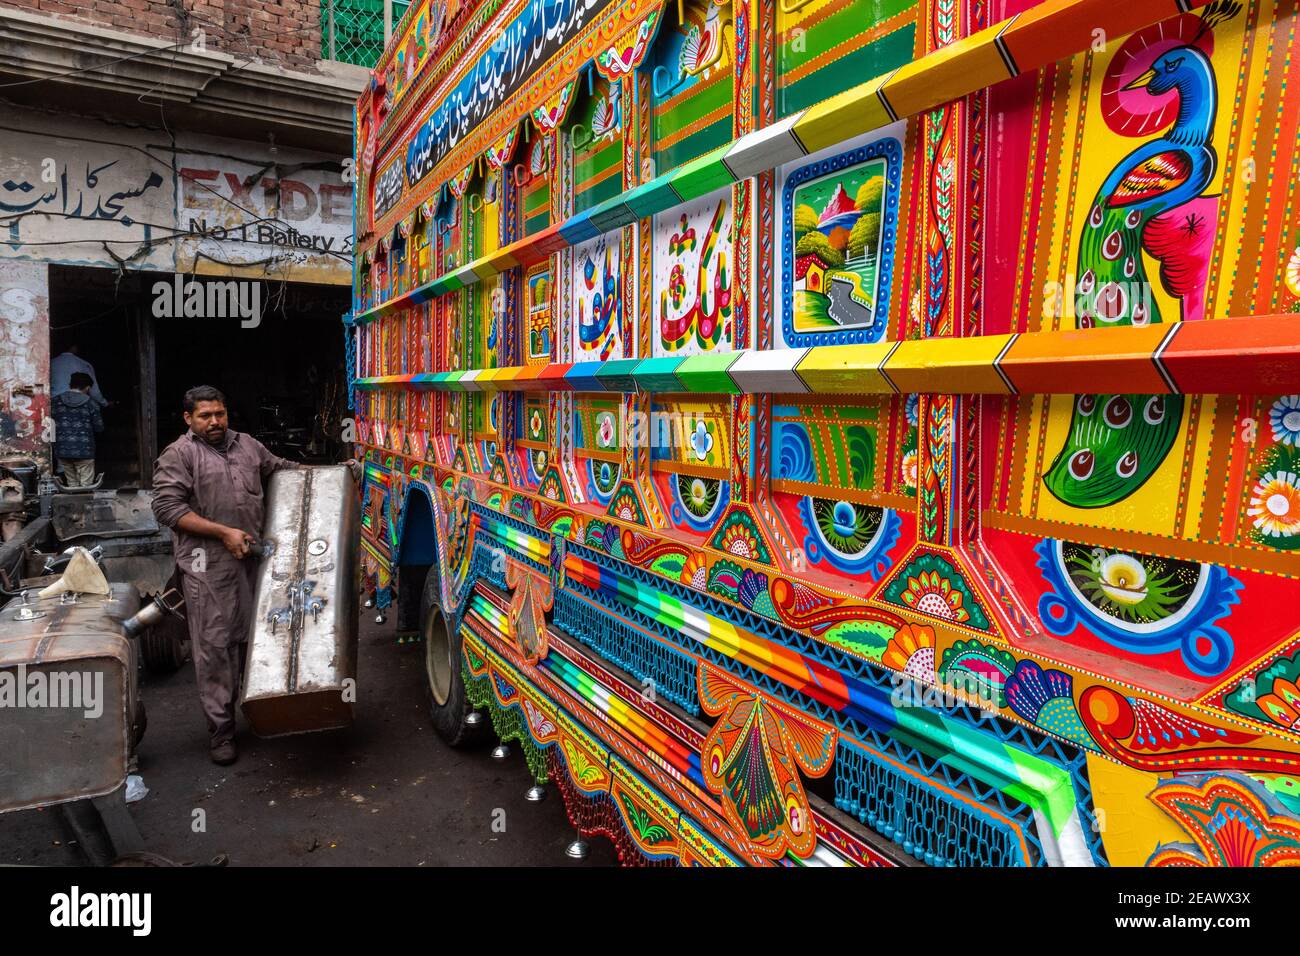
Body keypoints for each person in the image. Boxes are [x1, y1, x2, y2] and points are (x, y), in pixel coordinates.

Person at [150, 385, 303, 766]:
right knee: (216, 648)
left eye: (220, 413)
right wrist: (222, 532)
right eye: (205, 416)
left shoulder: (247, 445)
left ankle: (261, 711)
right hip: (207, 567)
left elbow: (282, 470)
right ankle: (221, 731)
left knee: (261, 638)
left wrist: (333, 473)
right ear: (188, 419)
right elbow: (168, 508)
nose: (215, 422)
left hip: (254, 560)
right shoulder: (180, 454)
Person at [51, 372, 104, 487]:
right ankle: (85, 502)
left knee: (71, 483)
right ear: (87, 387)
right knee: (86, 485)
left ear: (70, 384)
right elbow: (99, 427)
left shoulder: (55, 401)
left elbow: (48, 423)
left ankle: (74, 503)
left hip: (62, 449)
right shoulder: (91, 403)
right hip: (85, 449)